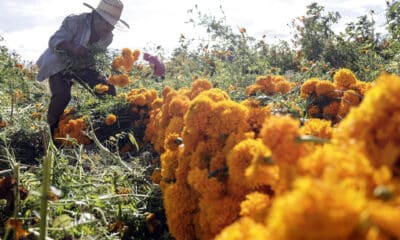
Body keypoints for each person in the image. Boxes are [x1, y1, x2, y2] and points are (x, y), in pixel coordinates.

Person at [36, 0, 129, 136]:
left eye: (112, 25)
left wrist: (107, 70)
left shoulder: (108, 37)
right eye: (106, 23)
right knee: (62, 95)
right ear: (95, 15)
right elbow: (54, 41)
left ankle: (107, 127)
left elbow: (96, 58)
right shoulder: (75, 21)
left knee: (108, 90)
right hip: (59, 62)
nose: (109, 28)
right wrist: (73, 48)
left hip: (83, 65)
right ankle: (50, 133)